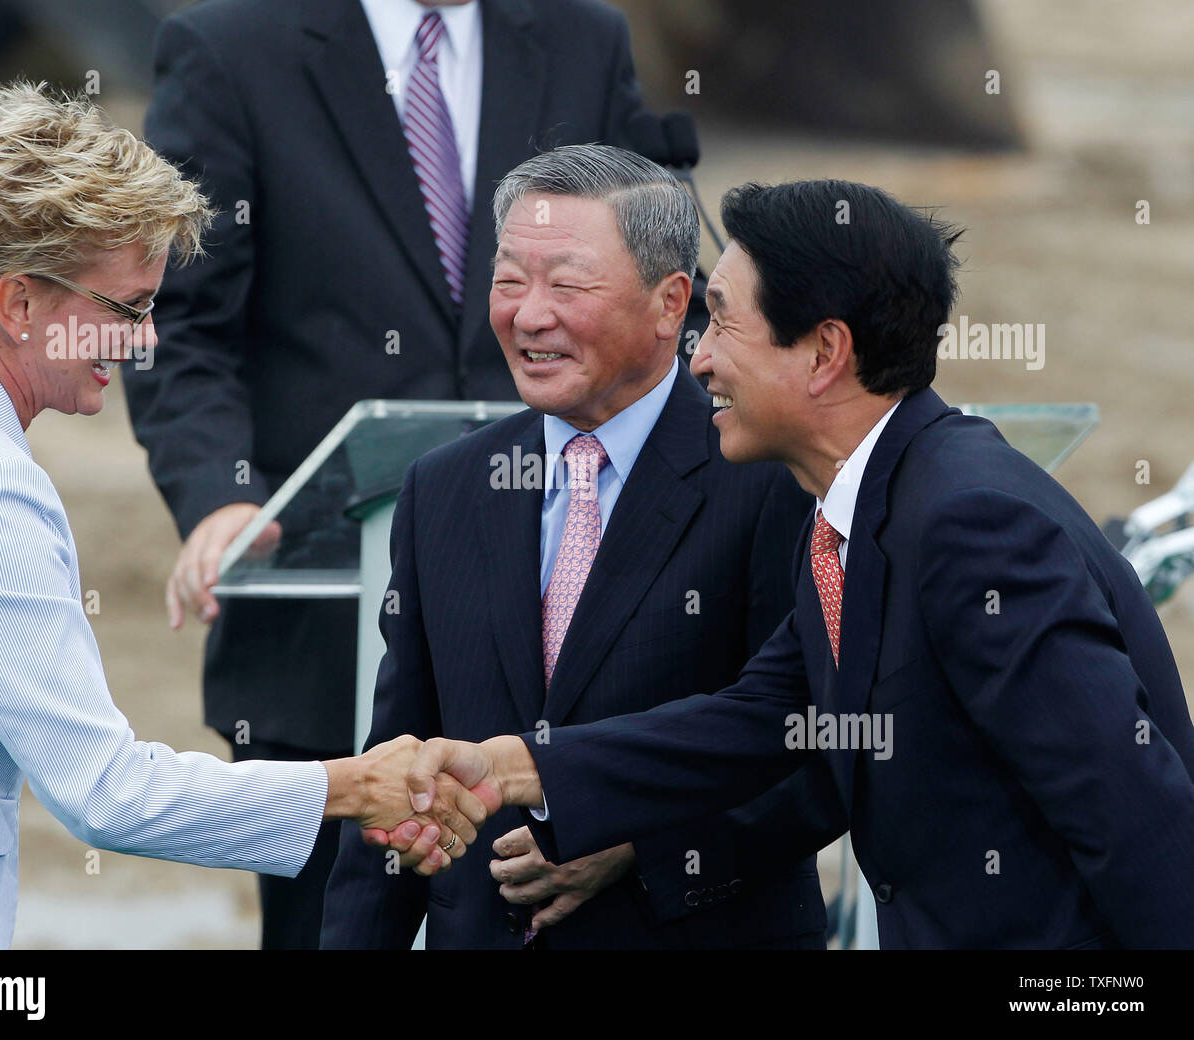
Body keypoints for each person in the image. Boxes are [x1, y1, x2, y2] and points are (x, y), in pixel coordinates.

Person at [400, 179, 1194, 948]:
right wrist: (512, 766)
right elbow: (756, 719)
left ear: (824, 353)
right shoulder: (861, 509)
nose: (700, 360)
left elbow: (1137, 817)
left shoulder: (968, 522)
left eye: (721, 325)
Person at [0, 83, 483, 951]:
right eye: (126, 308)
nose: (144, 343)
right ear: (18, 304)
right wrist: (353, 785)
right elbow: (103, 791)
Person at [123, 0, 658, 948]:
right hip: (320, 621)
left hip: (579, 616)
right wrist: (222, 494)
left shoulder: (585, 37)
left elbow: (665, 285)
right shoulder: (226, 45)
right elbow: (177, 319)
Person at [320, 145, 839, 949]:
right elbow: (400, 766)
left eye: (566, 284)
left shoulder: (770, 479)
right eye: (508, 281)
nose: (529, 314)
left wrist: (634, 848)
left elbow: (816, 749)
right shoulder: (445, 490)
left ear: (672, 303)